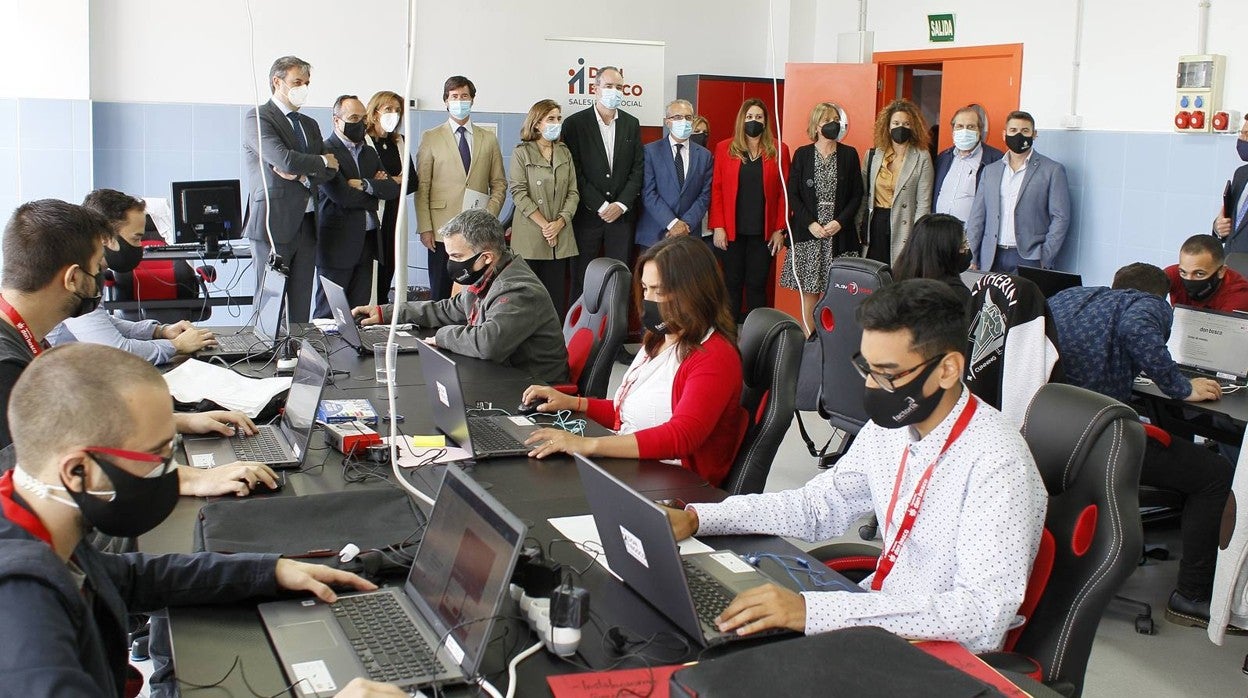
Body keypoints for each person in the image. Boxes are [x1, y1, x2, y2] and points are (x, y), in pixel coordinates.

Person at [662, 279, 1046, 651]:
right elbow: (816, 506)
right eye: (868, 368)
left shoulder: (998, 462)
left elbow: (980, 615)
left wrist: (813, 611)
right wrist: (700, 518)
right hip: (874, 618)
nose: (872, 387)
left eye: (888, 374)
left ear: (947, 369)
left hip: (934, 651)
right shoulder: (893, 427)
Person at [0, 343, 402, 697]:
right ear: (77, 472)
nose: (170, 470)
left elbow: (125, 577)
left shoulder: (34, 517)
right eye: (157, 456)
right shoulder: (20, 605)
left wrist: (270, 570)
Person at [1047, 262, 1237, 630]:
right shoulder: (1146, 304)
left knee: (1180, 455)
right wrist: (1182, 387)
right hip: (1103, 439)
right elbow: (1136, 328)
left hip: (1055, 433)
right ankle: (1191, 597)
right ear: (1159, 296)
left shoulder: (1068, 298)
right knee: (1214, 474)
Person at [521, 236, 747, 487]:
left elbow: (682, 436)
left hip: (674, 486)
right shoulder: (660, 339)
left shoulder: (714, 356)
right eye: (645, 288)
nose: (648, 299)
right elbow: (627, 412)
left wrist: (588, 445)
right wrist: (572, 402)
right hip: (638, 469)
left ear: (694, 292)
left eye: (658, 291)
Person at [353, 209, 569, 383]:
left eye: (457, 256)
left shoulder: (518, 291)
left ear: (486, 257)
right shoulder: (487, 274)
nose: (451, 264)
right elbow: (446, 309)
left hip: (534, 387)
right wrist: (385, 313)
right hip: (501, 374)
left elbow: (487, 343)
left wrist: (442, 336)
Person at [47, 189, 217, 363]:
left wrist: (159, 331)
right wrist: (176, 346)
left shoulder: (92, 271)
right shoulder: (78, 279)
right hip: (57, 371)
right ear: (105, 237)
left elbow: (103, 323)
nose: (140, 247)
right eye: (136, 239)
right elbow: (116, 352)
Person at [242, 55, 339, 324]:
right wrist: (320, 161)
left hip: (307, 222)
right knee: (269, 300)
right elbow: (284, 159)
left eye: (307, 83)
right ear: (277, 82)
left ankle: (297, 345)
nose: (303, 88)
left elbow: (332, 169)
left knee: (300, 300)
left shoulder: (309, 124)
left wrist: (302, 175)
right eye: (297, 82)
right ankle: (264, 348)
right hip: (273, 221)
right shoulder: (259, 117)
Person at [415, 76, 507, 301]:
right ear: (446, 101)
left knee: (475, 292)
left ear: (472, 100)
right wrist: (425, 227)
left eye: (464, 96)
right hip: (441, 230)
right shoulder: (431, 137)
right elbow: (422, 186)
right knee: (440, 291)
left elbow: (499, 184)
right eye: (454, 96)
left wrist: (487, 216)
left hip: (476, 232)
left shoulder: (488, 139)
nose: (459, 101)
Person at [560, 66, 646, 301]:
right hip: (587, 216)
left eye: (619, 87)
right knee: (582, 279)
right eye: (608, 86)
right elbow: (574, 171)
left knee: (619, 279)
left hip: (622, 218)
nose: (614, 91)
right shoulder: (575, 124)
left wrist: (621, 204)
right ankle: (578, 324)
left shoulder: (631, 123)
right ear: (595, 88)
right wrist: (600, 205)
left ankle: (614, 324)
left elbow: (637, 169)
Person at [313, 95, 400, 317]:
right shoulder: (325, 151)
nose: (360, 123)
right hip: (337, 244)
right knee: (329, 313)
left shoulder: (369, 152)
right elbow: (342, 196)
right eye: (353, 118)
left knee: (358, 313)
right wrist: (374, 194)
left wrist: (364, 184)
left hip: (367, 241)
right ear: (336, 120)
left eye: (363, 118)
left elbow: (392, 189)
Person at [708, 98, 791, 323]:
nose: (754, 121)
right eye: (750, 116)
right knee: (731, 284)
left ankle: (758, 334)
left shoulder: (779, 149)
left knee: (757, 285)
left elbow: (784, 193)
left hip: (764, 232)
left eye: (759, 117)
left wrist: (780, 229)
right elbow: (716, 189)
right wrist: (718, 226)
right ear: (741, 120)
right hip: (731, 231)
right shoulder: (725, 148)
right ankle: (728, 333)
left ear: (766, 121)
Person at [784, 101, 864, 333]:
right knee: (810, 293)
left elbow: (857, 194)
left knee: (839, 293)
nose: (833, 124)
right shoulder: (802, 154)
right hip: (810, 232)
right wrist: (810, 224)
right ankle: (809, 339)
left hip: (839, 233)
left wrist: (840, 222)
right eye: (827, 120)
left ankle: (833, 341)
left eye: (836, 120)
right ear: (816, 125)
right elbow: (793, 194)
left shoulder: (849, 154)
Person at [966, 110, 1071, 273]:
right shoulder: (990, 171)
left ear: (1034, 134)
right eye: (1013, 130)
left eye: (1025, 131)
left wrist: (1046, 256)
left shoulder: (1052, 170)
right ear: (1004, 134)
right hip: (992, 257)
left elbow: (1061, 217)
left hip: (1030, 258)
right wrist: (972, 256)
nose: (1018, 135)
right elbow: (977, 216)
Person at [509, 99, 580, 316]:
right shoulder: (522, 152)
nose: (556, 123)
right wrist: (546, 226)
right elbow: (518, 193)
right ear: (537, 123)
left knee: (555, 299)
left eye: (558, 118)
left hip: (560, 236)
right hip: (531, 236)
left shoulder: (564, 152)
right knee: (527, 300)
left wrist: (559, 223)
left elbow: (573, 192)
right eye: (551, 119)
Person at [858, 99, 933, 265]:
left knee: (899, 271)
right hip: (876, 223)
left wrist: (918, 236)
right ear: (887, 126)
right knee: (874, 271)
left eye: (906, 124)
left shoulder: (922, 156)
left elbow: (923, 203)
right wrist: (858, 227)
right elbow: (863, 195)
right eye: (896, 123)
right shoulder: (873, 155)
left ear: (914, 127)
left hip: (904, 224)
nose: (901, 127)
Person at [363, 90, 418, 303]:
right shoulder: (364, 141)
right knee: (371, 268)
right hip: (372, 215)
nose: (393, 114)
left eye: (397, 110)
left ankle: (383, 310)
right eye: (388, 109)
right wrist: (396, 180)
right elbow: (367, 182)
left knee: (391, 264)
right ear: (375, 113)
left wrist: (387, 181)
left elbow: (412, 182)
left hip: (395, 214)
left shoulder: (400, 142)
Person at [637, 99, 713, 249]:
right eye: (677, 117)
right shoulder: (650, 151)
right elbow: (648, 193)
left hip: (689, 234)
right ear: (667, 122)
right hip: (655, 235)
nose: (683, 121)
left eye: (688, 117)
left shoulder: (705, 155)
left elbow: (705, 195)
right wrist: (672, 223)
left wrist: (685, 225)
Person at [933, 105, 1004, 224]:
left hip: (971, 232)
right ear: (953, 130)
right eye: (960, 126)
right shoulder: (943, 157)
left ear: (979, 131)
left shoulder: (995, 159)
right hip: (939, 229)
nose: (965, 131)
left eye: (971, 127)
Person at [892, 213, 974, 309]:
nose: (967, 250)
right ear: (944, 250)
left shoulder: (896, 284)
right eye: (963, 245)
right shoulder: (957, 295)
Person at [1165, 233, 1248, 312]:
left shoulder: (1239, 296)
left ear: (1221, 271)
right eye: (1183, 272)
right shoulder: (1174, 274)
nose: (1189, 279)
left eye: (1199, 274)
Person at [1212, 117, 1248, 255]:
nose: (1241, 139)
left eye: (1247, 134)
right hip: (1230, 261)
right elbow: (1233, 220)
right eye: (1242, 133)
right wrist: (1218, 227)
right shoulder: (1241, 174)